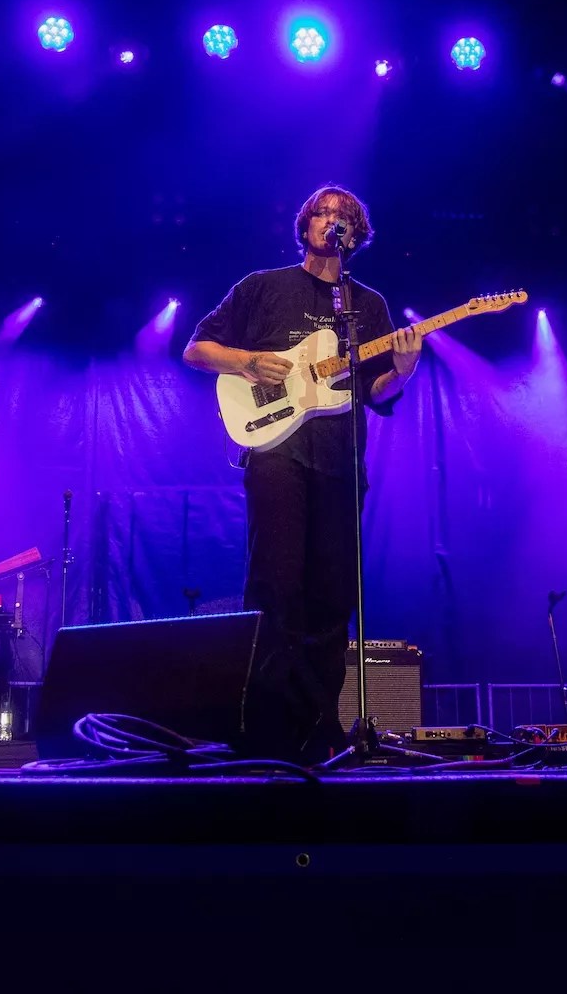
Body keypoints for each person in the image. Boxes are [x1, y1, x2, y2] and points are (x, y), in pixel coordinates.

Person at [182, 184, 421, 763]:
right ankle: (262, 725)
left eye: (343, 216)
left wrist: (406, 367)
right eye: (322, 213)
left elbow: (377, 392)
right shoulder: (263, 287)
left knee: (333, 595)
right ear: (306, 224)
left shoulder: (367, 306)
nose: (331, 220)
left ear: (356, 232)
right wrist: (247, 361)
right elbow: (196, 349)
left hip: (340, 459)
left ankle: (317, 727)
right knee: (276, 586)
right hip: (276, 451)